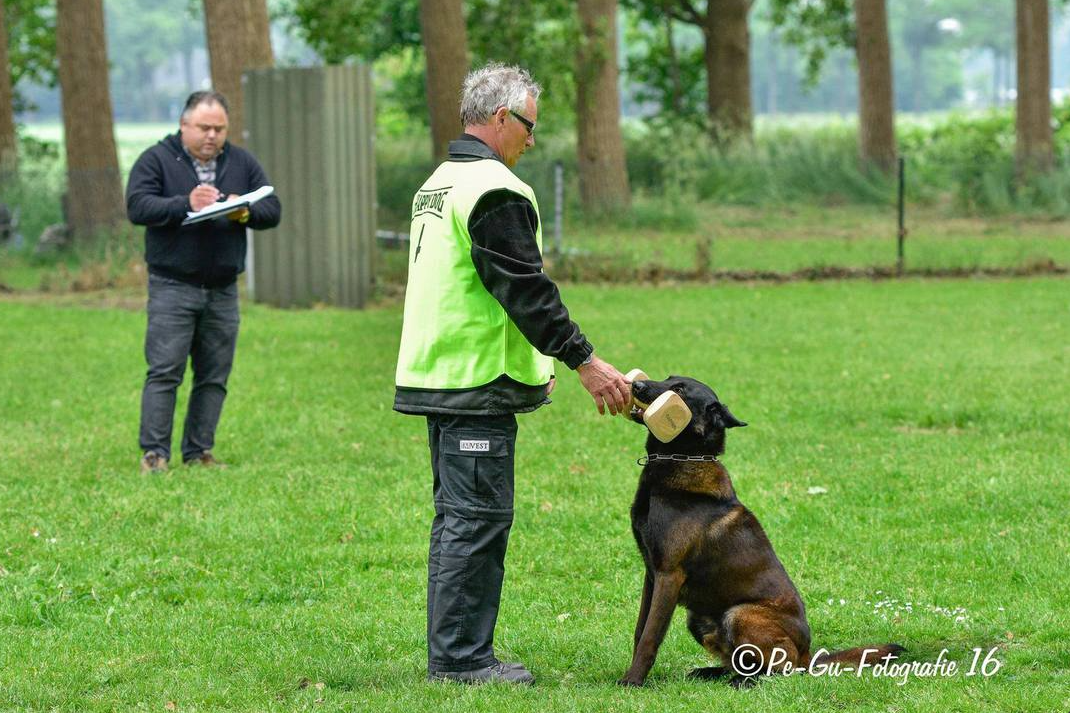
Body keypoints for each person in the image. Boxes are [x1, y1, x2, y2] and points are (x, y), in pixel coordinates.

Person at [394, 63, 632, 685]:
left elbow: (467, 289)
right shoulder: (493, 189)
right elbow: (523, 289)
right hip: (472, 384)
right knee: (475, 520)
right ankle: (461, 662)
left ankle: (455, 655)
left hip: (448, 374)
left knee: (459, 517)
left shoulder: (440, 182)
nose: (532, 139)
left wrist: (528, 371)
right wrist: (585, 361)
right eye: (529, 125)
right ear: (501, 118)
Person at [126, 90, 281, 473]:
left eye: (220, 128)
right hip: (172, 286)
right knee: (165, 371)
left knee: (214, 376)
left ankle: (199, 453)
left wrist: (241, 211)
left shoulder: (241, 162)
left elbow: (271, 209)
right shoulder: (157, 159)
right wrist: (185, 203)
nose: (212, 135)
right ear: (184, 125)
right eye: (204, 128)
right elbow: (137, 205)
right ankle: (154, 455)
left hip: (223, 289)